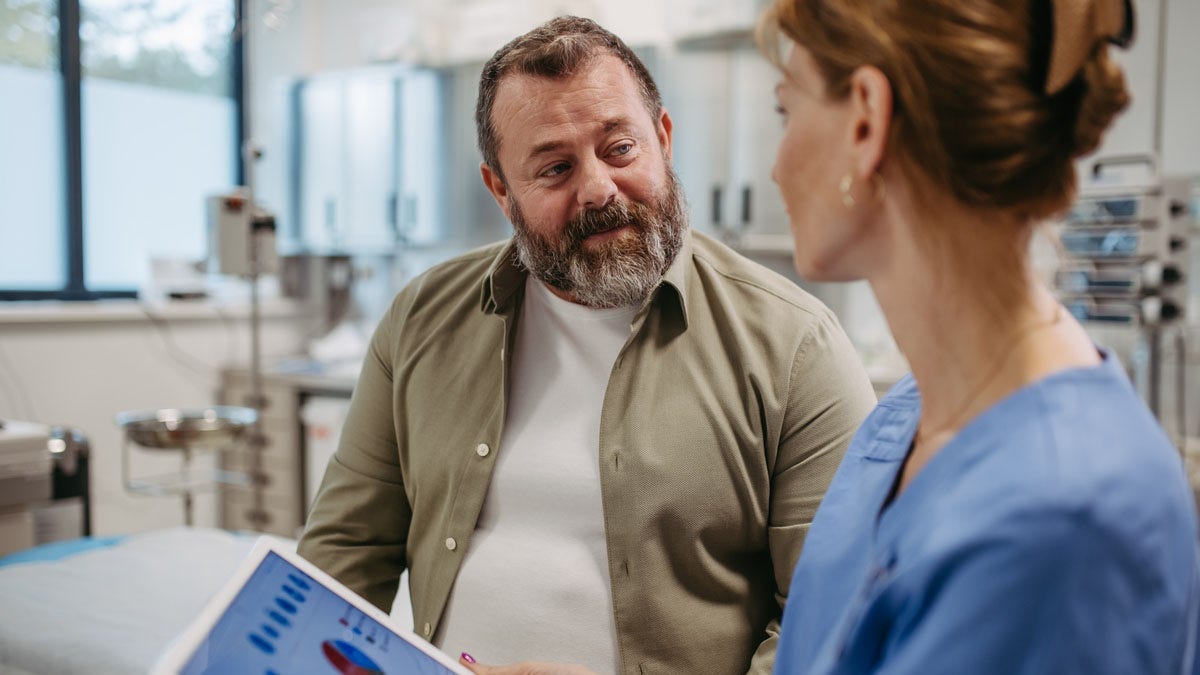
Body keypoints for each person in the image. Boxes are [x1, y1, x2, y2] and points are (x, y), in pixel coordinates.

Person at [464, 1, 1200, 674]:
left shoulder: (1068, 519)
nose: (778, 166)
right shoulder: (902, 423)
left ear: (865, 123)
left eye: (787, 112)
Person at [298, 15, 876, 675]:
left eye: (620, 148)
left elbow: (830, 626)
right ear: (501, 192)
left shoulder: (796, 346)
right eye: (554, 168)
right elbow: (344, 553)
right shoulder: (422, 318)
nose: (598, 188)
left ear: (662, 137)